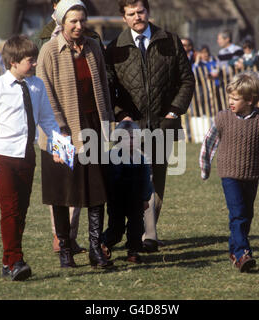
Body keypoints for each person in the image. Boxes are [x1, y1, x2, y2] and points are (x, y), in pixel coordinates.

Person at [106, 0, 195, 253]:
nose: (137, 17)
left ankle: (148, 234)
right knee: (133, 181)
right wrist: (121, 115)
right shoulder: (114, 48)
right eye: (131, 14)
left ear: (148, 12)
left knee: (157, 180)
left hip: (163, 124)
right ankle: (136, 232)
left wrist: (173, 112)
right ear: (124, 17)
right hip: (130, 127)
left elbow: (187, 80)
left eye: (141, 11)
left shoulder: (170, 40)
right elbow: (108, 88)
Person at [0, 35, 63, 281]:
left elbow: (47, 119)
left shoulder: (37, 86)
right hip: (2, 157)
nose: (34, 64)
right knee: (10, 210)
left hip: (27, 155)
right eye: (30, 60)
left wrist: (58, 146)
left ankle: (7, 262)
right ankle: (15, 261)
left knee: (21, 210)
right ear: (13, 62)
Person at [36, 0, 114, 268]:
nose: (79, 26)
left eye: (82, 20)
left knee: (96, 189)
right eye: (73, 21)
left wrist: (107, 123)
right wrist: (60, 132)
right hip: (59, 131)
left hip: (92, 126)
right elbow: (45, 94)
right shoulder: (48, 51)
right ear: (61, 22)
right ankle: (66, 250)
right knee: (62, 191)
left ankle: (95, 249)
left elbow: (103, 85)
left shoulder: (93, 46)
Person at [199, 71, 259, 272]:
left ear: (250, 99)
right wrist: (205, 167)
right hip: (229, 175)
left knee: (246, 215)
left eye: (235, 98)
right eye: (229, 97)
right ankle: (243, 253)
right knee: (238, 213)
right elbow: (209, 143)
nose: (230, 102)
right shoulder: (223, 118)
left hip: (251, 175)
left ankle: (234, 251)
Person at [101, 121, 153, 264]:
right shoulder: (110, 157)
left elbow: (146, 181)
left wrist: (145, 199)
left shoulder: (141, 159)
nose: (130, 141)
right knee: (116, 229)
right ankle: (104, 243)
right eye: (126, 138)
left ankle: (133, 251)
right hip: (116, 200)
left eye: (134, 138)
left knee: (136, 227)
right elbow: (105, 178)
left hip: (135, 201)